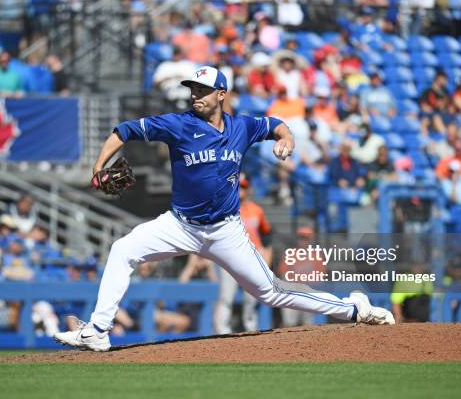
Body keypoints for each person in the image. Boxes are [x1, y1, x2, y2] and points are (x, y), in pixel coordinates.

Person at [54, 65, 394, 351]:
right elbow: (124, 130)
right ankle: (97, 331)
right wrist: (99, 165)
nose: (195, 95)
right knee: (122, 249)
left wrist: (286, 138)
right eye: (192, 89)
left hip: (225, 230)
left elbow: (275, 123)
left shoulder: (241, 127)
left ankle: (352, 309)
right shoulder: (179, 124)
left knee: (271, 291)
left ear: (221, 94)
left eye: (202, 90)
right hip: (180, 225)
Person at [214, 177, 273, 334]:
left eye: (244, 187)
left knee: (251, 297)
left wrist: (266, 258)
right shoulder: (223, 208)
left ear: (248, 190)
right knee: (227, 296)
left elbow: (267, 236)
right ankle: (222, 330)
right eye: (239, 186)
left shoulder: (256, 210)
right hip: (229, 257)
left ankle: (250, 328)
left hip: (252, 257)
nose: (242, 190)